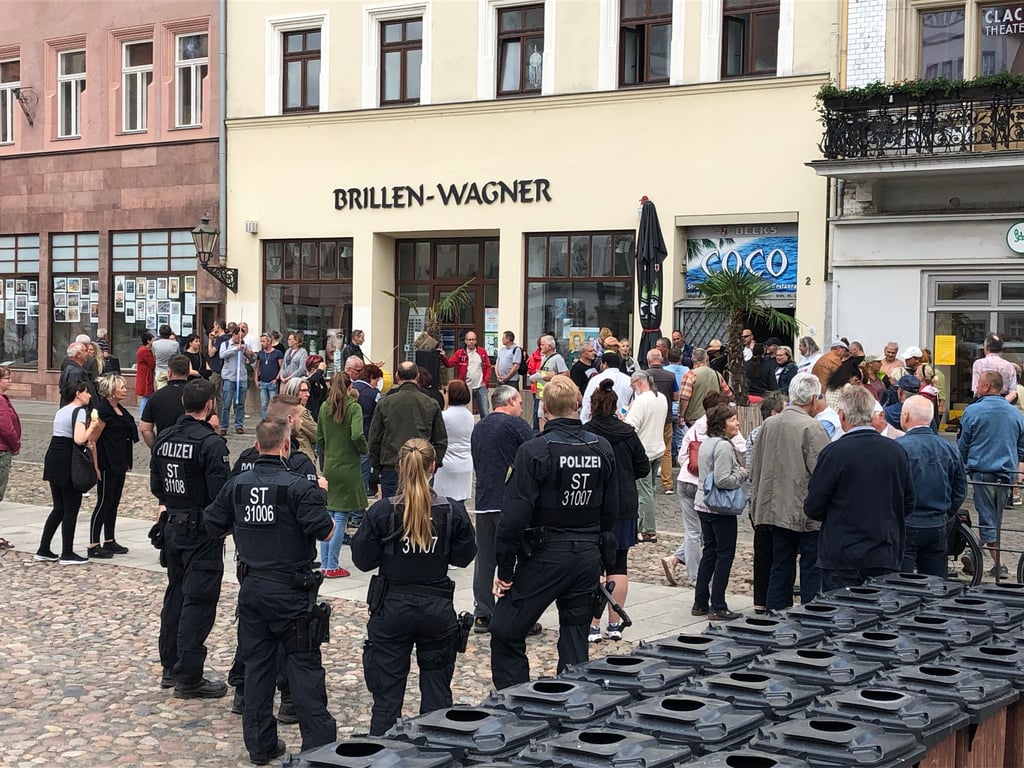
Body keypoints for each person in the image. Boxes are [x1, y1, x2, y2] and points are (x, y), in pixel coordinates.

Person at [204, 418, 337, 765]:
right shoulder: (299, 487)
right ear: (286, 446)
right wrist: (322, 495)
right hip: (291, 590)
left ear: (256, 445)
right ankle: (318, 747)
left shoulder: (237, 485)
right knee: (304, 667)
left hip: (252, 588)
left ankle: (260, 744)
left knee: (257, 669)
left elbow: (213, 524)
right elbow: (326, 531)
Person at [490, 376, 617, 690]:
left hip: (545, 554)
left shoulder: (534, 450)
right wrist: (604, 561)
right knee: (575, 636)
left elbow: (513, 517)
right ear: (577, 404)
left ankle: (515, 699)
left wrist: (505, 570)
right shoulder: (601, 448)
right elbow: (612, 511)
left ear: (544, 408)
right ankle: (573, 700)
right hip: (587, 553)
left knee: (506, 629)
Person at [351, 438, 477, 734]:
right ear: (433, 467)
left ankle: (382, 751)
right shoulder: (451, 511)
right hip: (436, 609)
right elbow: (464, 556)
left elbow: (362, 559)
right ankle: (436, 750)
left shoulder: (383, 511)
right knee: (437, 698)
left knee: (386, 700)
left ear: (400, 467)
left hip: (392, 608)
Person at [150, 379, 232, 698]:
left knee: (176, 595)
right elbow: (220, 494)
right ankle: (188, 675)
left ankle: (170, 666)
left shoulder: (164, 438)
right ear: (210, 405)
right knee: (198, 602)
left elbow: (157, 485)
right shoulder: (210, 444)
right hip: (200, 530)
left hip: (173, 525)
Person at [805, 385, 915, 590]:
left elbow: (813, 506)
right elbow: (908, 502)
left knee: (839, 608)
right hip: (883, 551)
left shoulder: (834, 453)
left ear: (842, 415)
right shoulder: (896, 451)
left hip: (842, 552)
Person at [749, 373, 830, 612]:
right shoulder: (812, 428)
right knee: (811, 568)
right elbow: (823, 473)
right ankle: (810, 616)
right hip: (804, 512)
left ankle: (775, 616)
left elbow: (756, 466)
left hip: (774, 510)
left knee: (780, 565)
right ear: (813, 399)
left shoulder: (769, 424)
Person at [583, 378, 648, 642]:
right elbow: (643, 466)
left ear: (593, 406)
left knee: (595, 565)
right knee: (619, 563)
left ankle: (592, 624)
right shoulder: (627, 433)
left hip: (595, 506)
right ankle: (614, 623)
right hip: (624, 504)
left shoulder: (586, 434)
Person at [469, 385, 534, 634]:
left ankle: (483, 613)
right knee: (519, 557)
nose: (521, 407)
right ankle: (517, 614)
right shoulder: (515, 425)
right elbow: (535, 454)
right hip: (511, 501)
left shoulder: (480, 427)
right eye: (519, 402)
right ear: (509, 402)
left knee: (485, 559)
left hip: (484, 501)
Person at [662, 392, 737, 588]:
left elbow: (682, 455)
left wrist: (691, 466)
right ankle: (694, 576)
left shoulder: (695, 427)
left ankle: (676, 559)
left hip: (684, 480)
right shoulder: (722, 431)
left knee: (694, 531)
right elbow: (741, 448)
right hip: (704, 485)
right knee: (703, 533)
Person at [958, 370, 1024, 578]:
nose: (976, 387)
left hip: (983, 470)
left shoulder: (973, 411)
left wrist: (959, 468)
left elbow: (963, 444)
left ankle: (996, 563)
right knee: (994, 516)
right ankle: (975, 554)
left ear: (986, 387)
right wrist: (1018, 471)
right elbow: (1021, 446)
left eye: (978, 384)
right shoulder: (1015, 413)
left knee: (988, 517)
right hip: (1007, 472)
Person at [897, 395, 967, 577]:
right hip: (937, 522)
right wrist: (946, 514)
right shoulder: (950, 448)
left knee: (900, 582)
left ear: (906, 416)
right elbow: (960, 490)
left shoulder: (897, 448)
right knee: (936, 581)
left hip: (906, 523)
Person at [692, 404, 749, 621]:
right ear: (721, 424)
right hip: (719, 508)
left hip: (703, 503)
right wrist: (742, 474)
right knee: (724, 554)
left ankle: (700, 602)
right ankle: (718, 605)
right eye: (732, 419)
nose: (737, 423)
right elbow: (723, 480)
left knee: (710, 552)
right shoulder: (723, 446)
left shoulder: (707, 442)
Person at [37, 382, 102, 564]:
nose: (89, 395)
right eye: (86, 392)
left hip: (54, 457)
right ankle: (67, 552)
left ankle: (43, 548)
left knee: (59, 507)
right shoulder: (79, 411)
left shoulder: (62, 410)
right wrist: (93, 426)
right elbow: (79, 439)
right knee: (71, 508)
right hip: (68, 462)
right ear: (78, 394)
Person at [368, 360, 448, 500]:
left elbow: (374, 439)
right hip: (420, 465)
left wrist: (378, 466)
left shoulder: (385, 403)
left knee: (392, 509)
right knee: (419, 507)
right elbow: (441, 440)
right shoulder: (430, 403)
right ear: (417, 376)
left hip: (391, 465)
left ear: (397, 376)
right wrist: (433, 464)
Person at [316, 372, 367, 579]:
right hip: (348, 465)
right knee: (341, 516)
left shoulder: (324, 407)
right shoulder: (354, 407)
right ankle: (332, 564)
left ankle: (325, 563)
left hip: (330, 463)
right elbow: (357, 433)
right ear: (349, 387)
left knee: (328, 514)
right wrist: (363, 448)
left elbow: (319, 437)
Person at [86, 374, 139, 559]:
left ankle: (109, 539)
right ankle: (93, 543)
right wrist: (95, 466)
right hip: (106, 462)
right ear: (111, 391)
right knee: (104, 502)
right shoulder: (102, 411)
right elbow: (92, 440)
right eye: (121, 387)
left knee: (114, 502)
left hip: (119, 461)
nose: (125, 390)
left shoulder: (120, 409)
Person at [626, 370, 668, 543]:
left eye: (632, 385)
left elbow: (631, 427)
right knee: (649, 491)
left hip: (644, 451)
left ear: (638, 382)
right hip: (658, 448)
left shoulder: (641, 400)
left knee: (644, 492)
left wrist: (623, 418)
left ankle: (647, 529)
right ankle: (644, 524)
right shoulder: (662, 398)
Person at [433, 380, 474, 512]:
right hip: (465, 462)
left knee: (443, 504)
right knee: (460, 504)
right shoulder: (469, 416)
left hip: (446, 463)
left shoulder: (444, 416)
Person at [645, 349, 679, 494]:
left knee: (647, 448)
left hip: (649, 418)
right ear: (662, 359)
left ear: (648, 361)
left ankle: (647, 483)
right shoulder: (670, 376)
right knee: (667, 451)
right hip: (666, 418)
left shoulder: (644, 375)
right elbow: (676, 396)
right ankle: (668, 484)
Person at [140, 355, 191, 447]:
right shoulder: (197, 394)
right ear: (188, 372)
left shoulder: (155, 397)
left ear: (169, 372)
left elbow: (145, 429)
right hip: (191, 447)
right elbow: (213, 423)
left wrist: (156, 447)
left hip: (164, 446)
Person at [439, 330, 492, 417]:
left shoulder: (482, 352)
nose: (471, 342)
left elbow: (488, 367)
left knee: (485, 412)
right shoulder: (460, 353)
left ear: (476, 341)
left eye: (473, 339)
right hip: (466, 387)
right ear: (465, 341)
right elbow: (449, 364)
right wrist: (443, 357)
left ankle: (486, 426)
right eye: (469, 339)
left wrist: (485, 382)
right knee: (466, 412)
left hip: (480, 386)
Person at [678, 348, 732, 428]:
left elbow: (685, 398)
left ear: (692, 360)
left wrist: (681, 416)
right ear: (707, 359)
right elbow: (728, 394)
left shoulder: (690, 375)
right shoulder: (717, 375)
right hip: (713, 417)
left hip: (694, 419)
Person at [580, 351, 633, 423]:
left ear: (605, 364)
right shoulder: (629, 380)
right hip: (622, 421)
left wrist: (585, 421)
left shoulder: (595, 380)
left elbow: (587, 402)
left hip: (598, 423)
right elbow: (633, 403)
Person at [353, 363, 382, 497]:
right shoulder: (374, 394)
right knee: (364, 469)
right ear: (371, 377)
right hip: (366, 433)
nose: (377, 384)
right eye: (377, 380)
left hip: (348, 434)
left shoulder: (350, 387)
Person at [221, 326, 255, 435]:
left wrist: (251, 355)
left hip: (241, 377)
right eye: (239, 337)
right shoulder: (226, 344)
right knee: (226, 404)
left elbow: (252, 360)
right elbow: (222, 355)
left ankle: (239, 425)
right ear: (234, 335)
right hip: (229, 377)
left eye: (242, 337)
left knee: (240, 403)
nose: (241, 339)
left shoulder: (245, 345)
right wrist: (236, 349)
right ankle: (223, 426)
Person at [530, 334, 569, 431]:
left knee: (550, 416)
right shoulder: (543, 357)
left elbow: (566, 374)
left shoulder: (557, 358)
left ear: (550, 346)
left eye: (543, 345)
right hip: (542, 393)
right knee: (540, 415)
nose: (540, 347)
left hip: (552, 393)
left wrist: (554, 377)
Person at [283, 377, 320, 469]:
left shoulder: (281, 408)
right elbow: (317, 434)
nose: (307, 394)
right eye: (303, 391)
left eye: (307, 391)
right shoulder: (300, 411)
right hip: (302, 456)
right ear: (294, 391)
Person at [972, 332, 1018, 402]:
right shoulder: (1009, 366)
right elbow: (1013, 393)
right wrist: (1002, 403)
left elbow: (976, 390)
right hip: (1004, 402)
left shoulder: (979, 364)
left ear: (986, 347)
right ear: (1001, 349)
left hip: (983, 401)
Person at [0, 365, 22, 502]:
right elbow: (6, 428)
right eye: (7, 378)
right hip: (2, 449)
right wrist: (15, 445)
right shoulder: (1, 400)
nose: (10, 381)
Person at [59, 341, 98, 408]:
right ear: (78, 354)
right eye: (85, 351)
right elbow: (75, 394)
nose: (87, 353)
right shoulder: (75, 372)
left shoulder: (71, 369)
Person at [256, 333, 283, 419]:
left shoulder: (277, 353)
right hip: (263, 381)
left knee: (273, 404)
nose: (262, 343)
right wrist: (256, 380)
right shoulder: (260, 353)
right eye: (261, 341)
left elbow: (281, 367)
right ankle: (264, 421)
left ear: (269, 341)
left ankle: (273, 421)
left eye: (263, 341)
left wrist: (276, 378)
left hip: (272, 382)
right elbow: (257, 367)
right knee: (264, 404)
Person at [207, 320, 230, 416]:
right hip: (225, 369)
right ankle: (220, 417)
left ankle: (210, 415)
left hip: (217, 369)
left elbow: (211, 353)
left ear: (218, 326)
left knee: (211, 394)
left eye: (215, 325)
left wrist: (210, 340)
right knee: (220, 396)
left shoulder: (221, 339)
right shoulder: (228, 337)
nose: (213, 328)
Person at [152, 325, 180, 390]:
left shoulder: (155, 344)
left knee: (161, 391)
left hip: (159, 371)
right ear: (170, 333)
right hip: (172, 371)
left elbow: (154, 357)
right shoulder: (175, 344)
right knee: (172, 391)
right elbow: (178, 357)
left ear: (159, 333)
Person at [136, 331, 156, 415]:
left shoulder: (143, 350)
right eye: (152, 340)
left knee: (146, 396)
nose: (154, 342)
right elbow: (152, 364)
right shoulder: (145, 351)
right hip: (146, 376)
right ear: (148, 341)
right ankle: (142, 414)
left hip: (144, 375)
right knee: (146, 396)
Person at [304, 354, 328, 421]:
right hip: (311, 415)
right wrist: (319, 371)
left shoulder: (320, 380)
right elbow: (310, 381)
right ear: (313, 370)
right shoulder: (305, 381)